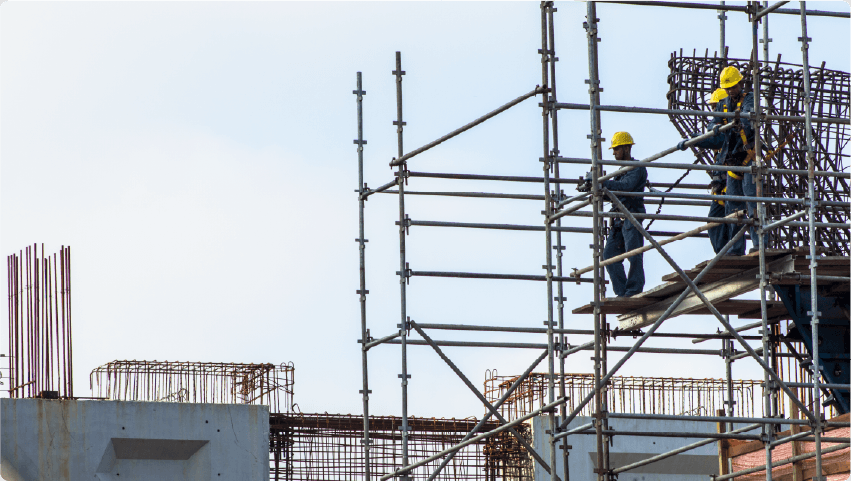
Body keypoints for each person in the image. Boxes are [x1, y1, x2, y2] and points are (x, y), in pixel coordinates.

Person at [678, 66, 756, 255]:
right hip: (733, 162)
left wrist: (729, 124)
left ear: (740, 84)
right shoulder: (724, 104)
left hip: (749, 157)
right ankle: (735, 250)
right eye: (727, 88)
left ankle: (759, 245)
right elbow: (715, 126)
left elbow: (747, 120)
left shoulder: (749, 99)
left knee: (753, 203)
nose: (730, 91)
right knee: (733, 208)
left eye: (733, 87)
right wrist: (697, 138)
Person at [578, 131, 647, 297]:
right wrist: (596, 189)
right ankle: (622, 292)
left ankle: (634, 290)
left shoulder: (636, 168)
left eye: (616, 149)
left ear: (626, 148)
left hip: (631, 215)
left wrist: (601, 182)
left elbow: (626, 187)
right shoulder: (621, 171)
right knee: (609, 255)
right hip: (618, 219)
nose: (614, 153)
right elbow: (614, 192)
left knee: (633, 253)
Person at [707, 88, 732, 253]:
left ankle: (732, 253)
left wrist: (695, 140)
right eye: (712, 108)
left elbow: (719, 141)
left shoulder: (733, 128)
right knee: (714, 223)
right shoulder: (717, 126)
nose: (713, 111)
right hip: (720, 185)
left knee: (733, 220)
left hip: (732, 181)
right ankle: (722, 254)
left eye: (715, 107)